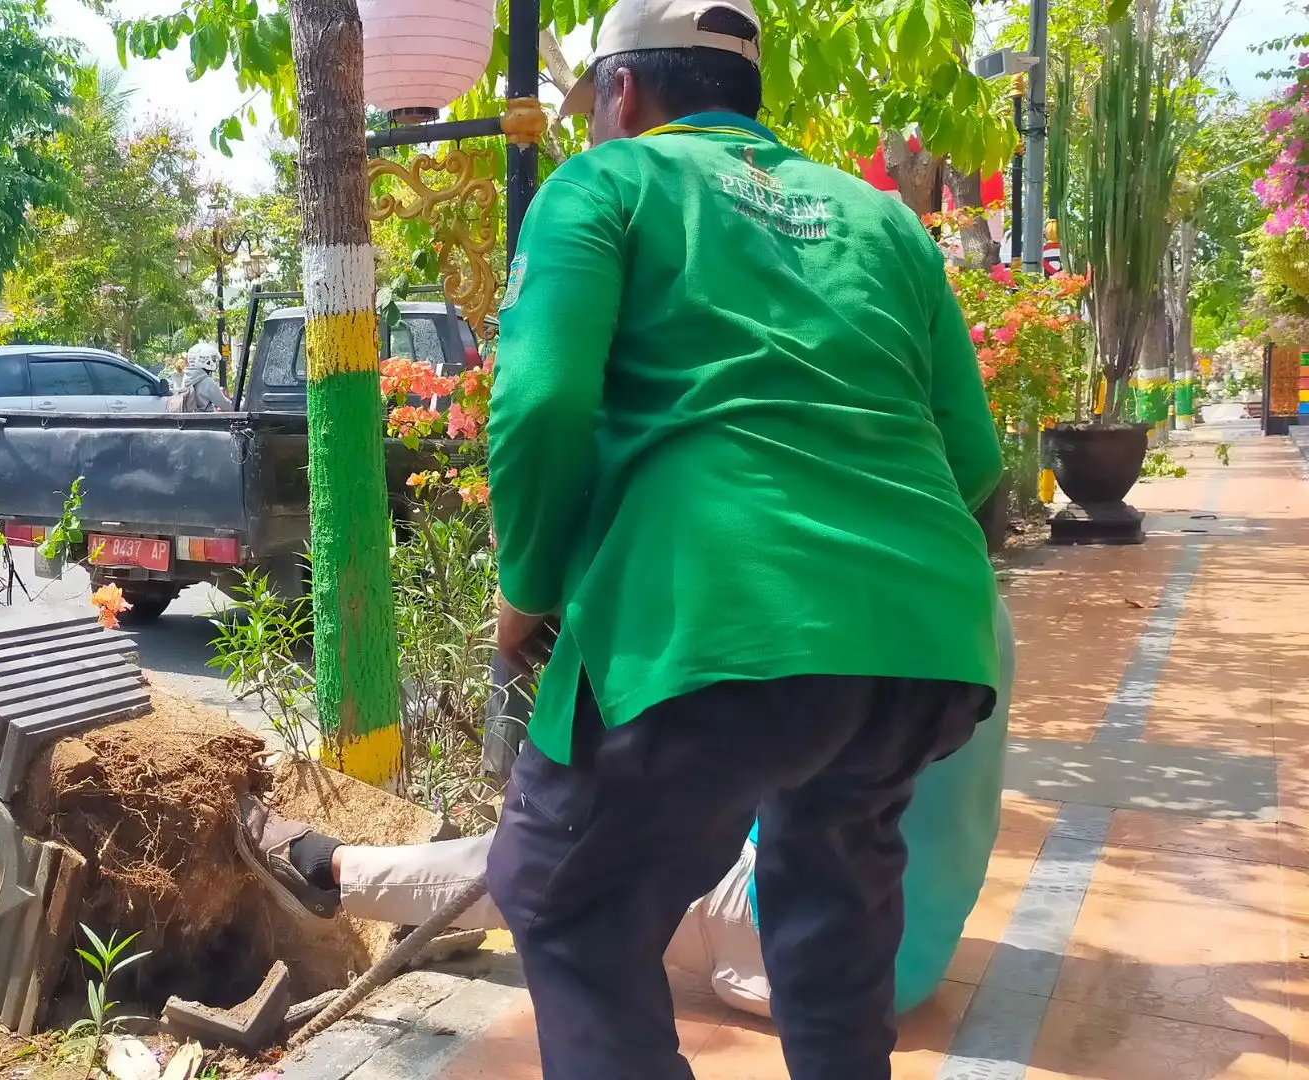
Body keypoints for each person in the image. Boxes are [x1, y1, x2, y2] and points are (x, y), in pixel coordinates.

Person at [477, 0, 1006, 1075]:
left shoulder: (606, 183)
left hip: (711, 619)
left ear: (621, 92)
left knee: (561, 895)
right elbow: (977, 468)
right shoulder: (882, 220)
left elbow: (539, 405)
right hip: (918, 650)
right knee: (832, 905)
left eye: (595, 106)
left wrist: (525, 593)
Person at [239, 594, 1016, 1021]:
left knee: (571, 849)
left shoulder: (818, 608)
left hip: (789, 948)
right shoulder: (965, 594)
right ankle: (445, 908)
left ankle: (335, 874)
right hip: (910, 948)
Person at [168, 343, 232, 413]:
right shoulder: (208, 382)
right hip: (207, 422)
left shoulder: (186, 378)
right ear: (205, 360)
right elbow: (225, 405)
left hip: (191, 421)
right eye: (213, 359)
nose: (214, 362)